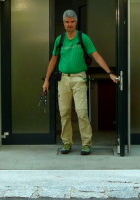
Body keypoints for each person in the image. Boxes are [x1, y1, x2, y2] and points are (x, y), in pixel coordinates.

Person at [42, 9, 119, 155]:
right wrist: (46, 80)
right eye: (67, 22)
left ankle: (86, 143)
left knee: (82, 112)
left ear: (76, 22)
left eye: (72, 21)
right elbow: (53, 60)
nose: (69, 24)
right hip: (63, 79)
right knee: (64, 112)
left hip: (79, 78)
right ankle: (67, 143)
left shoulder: (83, 38)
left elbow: (96, 55)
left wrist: (109, 73)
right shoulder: (60, 39)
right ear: (63, 23)